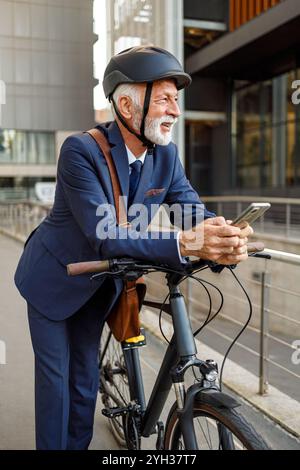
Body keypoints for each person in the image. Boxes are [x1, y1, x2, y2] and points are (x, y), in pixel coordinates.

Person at [14, 46, 252, 450]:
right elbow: (104, 231)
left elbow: (189, 210)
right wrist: (188, 242)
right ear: (126, 104)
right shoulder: (80, 151)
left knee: (85, 383)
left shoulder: (166, 156)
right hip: (54, 280)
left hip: (99, 286)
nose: (175, 111)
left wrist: (221, 232)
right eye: (164, 99)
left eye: (177, 100)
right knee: (57, 384)